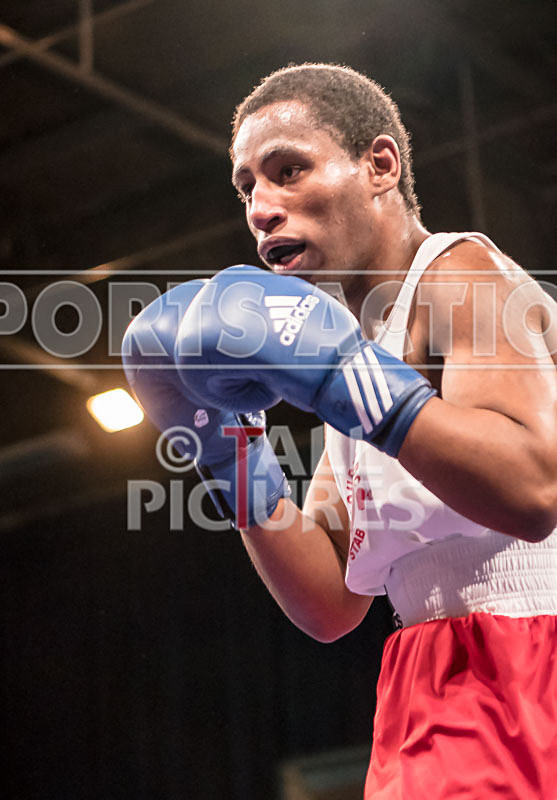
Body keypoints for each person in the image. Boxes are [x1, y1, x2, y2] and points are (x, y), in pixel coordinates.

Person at [123, 64, 557, 798]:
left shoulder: (461, 272)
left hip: (530, 659)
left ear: (379, 165)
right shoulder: (354, 344)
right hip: (423, 682)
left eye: (287, 170)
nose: (261, 206)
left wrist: (345, 379)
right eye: (247, 187)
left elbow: (531, 488)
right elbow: (329, 602)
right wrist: (226, 450)